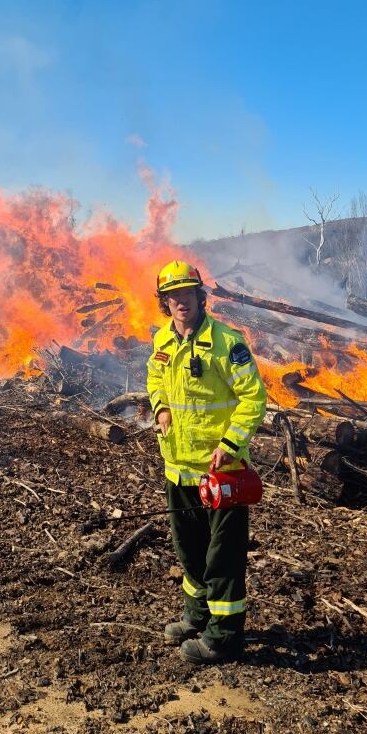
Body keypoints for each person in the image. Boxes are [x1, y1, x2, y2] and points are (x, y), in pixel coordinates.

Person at [147, 260, 267, 664]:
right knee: (190, 551)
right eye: (172, 294)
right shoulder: (162, 340)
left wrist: (231, 444)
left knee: (223, 557)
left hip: (222, 473)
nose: (181, 301)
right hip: (178, 467)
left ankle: (224, 637)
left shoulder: (227, 342)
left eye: (187, 293)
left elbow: (254, 398)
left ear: (200, 297)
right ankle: (197, 616)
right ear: (165, 301)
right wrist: (161, 408)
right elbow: (155, 379)